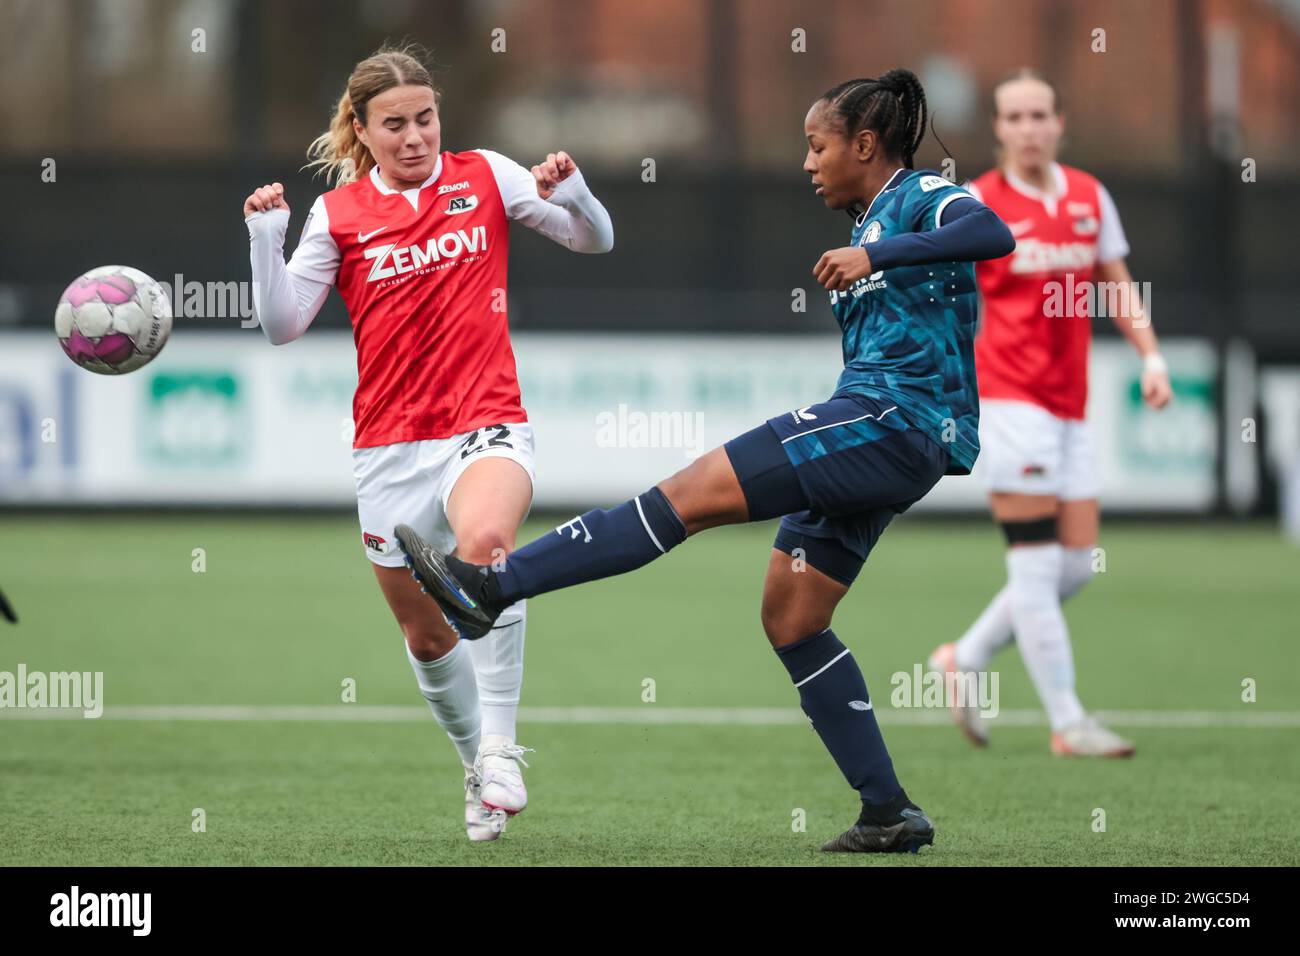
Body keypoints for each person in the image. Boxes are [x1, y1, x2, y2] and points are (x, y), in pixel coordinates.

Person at [397, 69, 1013, 853]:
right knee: (792, 618)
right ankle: (888, 812)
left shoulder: (923, 194)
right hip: (882, 427)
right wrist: (873, 253)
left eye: (818, 146)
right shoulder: (866, 223)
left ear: (865, 145)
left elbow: (995, 234)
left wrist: (880, 255)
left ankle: (493, 584)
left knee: (689, 494)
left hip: (893, 422)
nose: (807, 162)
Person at [242, 44, 614, 841]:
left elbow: (595, 241)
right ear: (362, 130)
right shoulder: (337, 216)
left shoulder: (484, 175)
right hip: (388, 448)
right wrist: (263, 241)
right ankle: (477, 766)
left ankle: (505, 747)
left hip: (487, 420)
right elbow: (280, 325)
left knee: (486, 547)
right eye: (395, 125)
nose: (415, 137)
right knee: (426, 633)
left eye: (425, 118)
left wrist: (576, 193)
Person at [928, 70, 1172, 756]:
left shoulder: (1090, 197)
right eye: (1015, 117)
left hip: (1072, 407)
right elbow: (943, 299)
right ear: (999, 128)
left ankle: (964, 657)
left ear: (1059, 122)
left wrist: (1151, 358)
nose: (1029, 128)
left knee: (1075, 568)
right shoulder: (975, 204)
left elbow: (1117, 285)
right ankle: (1068, 722)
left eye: (1040, 115)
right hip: (1009, 403)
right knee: (1035, 570)